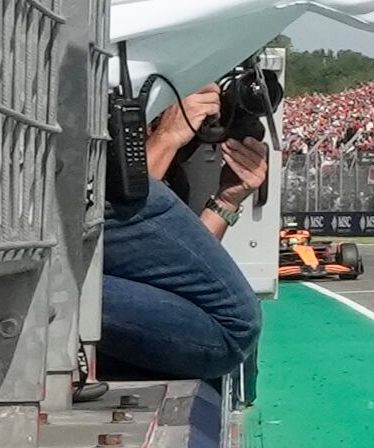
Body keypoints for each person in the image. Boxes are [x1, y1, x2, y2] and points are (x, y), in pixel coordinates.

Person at [101, 87, 262, 383]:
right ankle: (54, 295)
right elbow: (107, 206)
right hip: (73, 256)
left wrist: (226, 201)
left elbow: (173, 266)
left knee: (231, 330)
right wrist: (167, 138)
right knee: (236, 326)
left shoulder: (181, 165)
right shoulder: (108, 118)